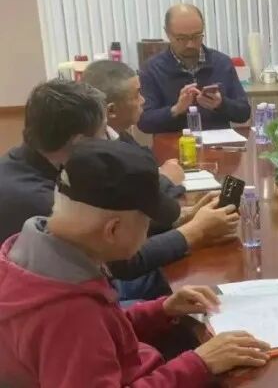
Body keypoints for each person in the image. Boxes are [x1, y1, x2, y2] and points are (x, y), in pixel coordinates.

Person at [0, 139, 270, 387]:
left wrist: (162, 310)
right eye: (146, 223)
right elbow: (86, 333)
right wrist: (199, 364)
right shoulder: (71, 316)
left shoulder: (33, 255)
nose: (149, 230)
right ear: (113, 230)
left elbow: (104, 333)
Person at [0, 80, 238, 300]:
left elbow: (114, 225)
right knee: (174, 282)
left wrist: (183, 217)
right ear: (80, 142)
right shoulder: (38, 199)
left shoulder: (36, 163)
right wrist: (196, 232)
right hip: (76, 300)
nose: (110, 138)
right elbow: (119, 262)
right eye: (103, 130)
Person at [83, 59, 186, 232]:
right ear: (111, 110)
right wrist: (166, 179)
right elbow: (131, 211)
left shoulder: (119, 135)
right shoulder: (95, 158)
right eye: (137, 95)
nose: (143, 100)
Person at [138, 3, 251, 133]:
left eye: (196, 36)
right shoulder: (152, 69)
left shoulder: (222, 63)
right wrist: (176, 110)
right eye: (181, 38)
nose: (190, 44)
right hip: (174, 142)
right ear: (167, 33)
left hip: (218, 142)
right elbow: (144, 122)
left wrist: (221, 104)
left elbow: (244, 113)